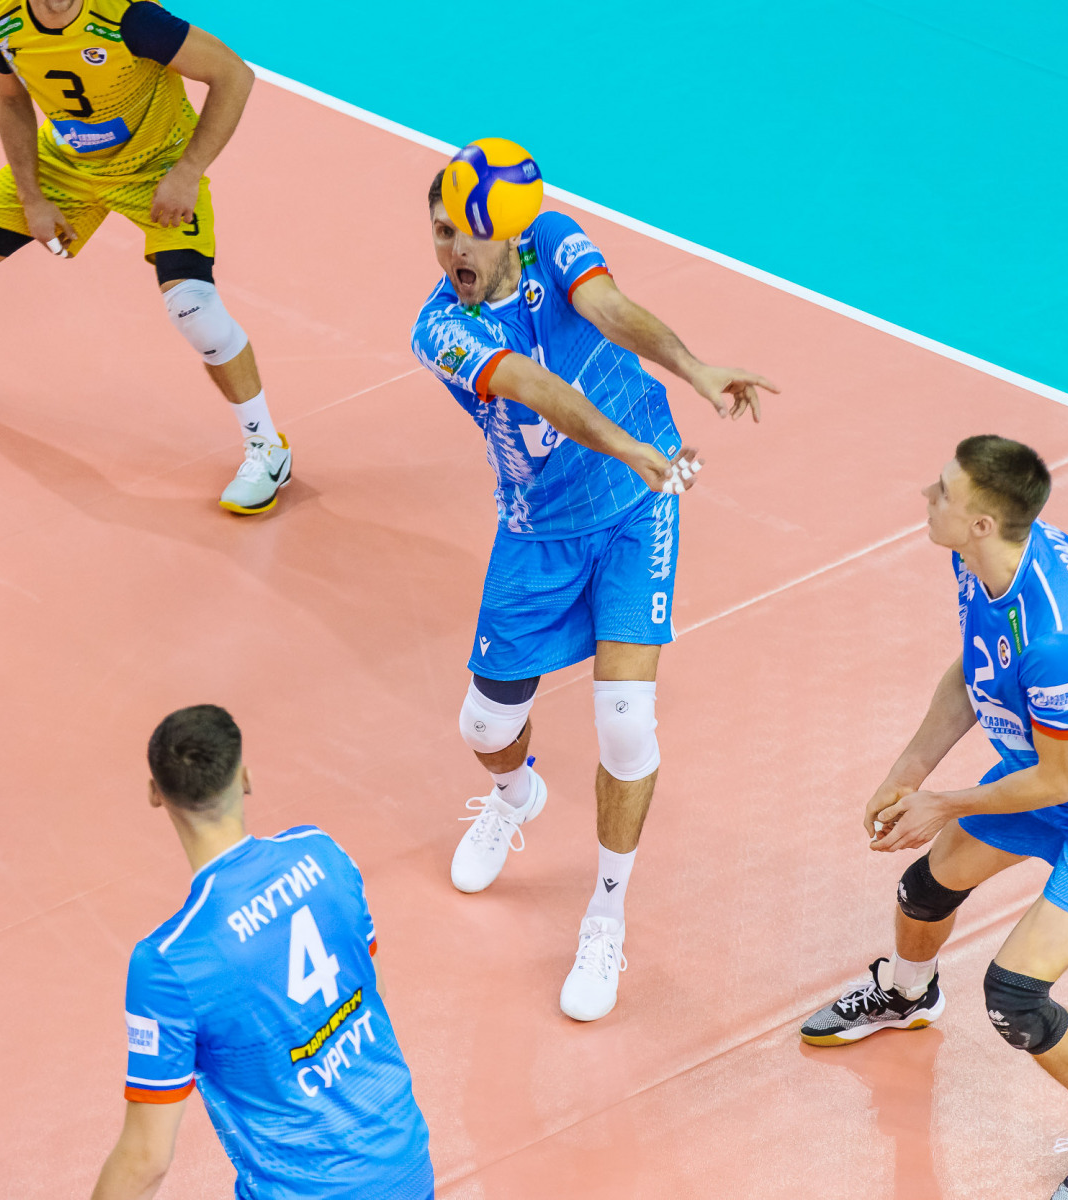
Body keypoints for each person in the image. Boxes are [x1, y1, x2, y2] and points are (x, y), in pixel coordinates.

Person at [409, 167, 776, 1022]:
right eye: (439, 232)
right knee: (484, 727)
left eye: (466, 230)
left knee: (625, 723)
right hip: (539, 527)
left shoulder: (551, 237)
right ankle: (516, 797)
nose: (452, 249)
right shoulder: (441, 328)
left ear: (508, 228)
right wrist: (626, 445)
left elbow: (609, 309)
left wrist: (693, 369)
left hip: (637, 507)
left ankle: (604, 918)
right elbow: (539, 391)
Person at [799, 436, 1068, 1199]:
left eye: (942, 491)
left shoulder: (1058, 637)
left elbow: (1064, 777)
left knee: (1015, 996)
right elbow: (974, 667)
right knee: (924, 891)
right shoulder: (979, 560)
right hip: (1037, 774)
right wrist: (909, 771)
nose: (926, 496)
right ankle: (908, 995)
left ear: (982, 522)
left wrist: (943, 803)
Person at [0, 0, 294, 515]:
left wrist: (188, 171)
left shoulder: (130, 19)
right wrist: (32, 196)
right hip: (65, 162)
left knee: (196, 311)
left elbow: (234, 74)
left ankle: (267, 447)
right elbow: (10, 97)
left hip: (157, 168)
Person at [90, 705, 432, 1200]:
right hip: (406, 1162)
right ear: (245, 777)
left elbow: (147, 1159)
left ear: (155, 794)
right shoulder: (323, 854)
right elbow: (362, 981)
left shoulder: (169, 963)